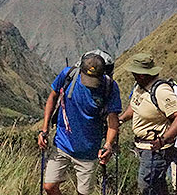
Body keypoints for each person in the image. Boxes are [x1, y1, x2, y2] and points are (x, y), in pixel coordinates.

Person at [38, 52, 121, 195]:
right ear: (80, 70)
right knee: (49, 186)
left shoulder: (110, 87)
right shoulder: (68, 75)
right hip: (62, 144)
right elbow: (52, 97)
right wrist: (44, 129)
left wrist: (108, 144)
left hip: (89, 151)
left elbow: (113, 119)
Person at [118, 53, 177, 195]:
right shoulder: (140, 86)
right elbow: (135, 105)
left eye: (135, 72)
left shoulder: (161, 91)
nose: (132, 75)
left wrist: (163, 139)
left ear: (142, 74)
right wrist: (121, 119)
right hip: (143, 146)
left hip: (156, 149)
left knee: (146, 184)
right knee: (157, 184)